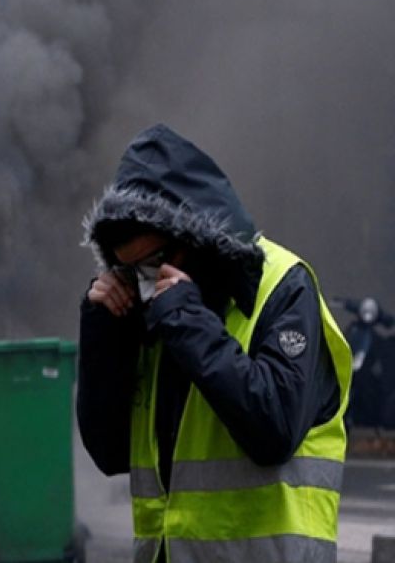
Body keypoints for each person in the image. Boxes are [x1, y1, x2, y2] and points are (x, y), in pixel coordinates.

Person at [77, 124, 352, 563]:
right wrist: (102, 335)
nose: (145, 282)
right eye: (130, 271)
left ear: (193, 237)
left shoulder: (281, 286)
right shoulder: (158, 310)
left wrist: (189, 322)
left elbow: (273, 430)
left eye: (153, 263)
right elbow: (110, 452)